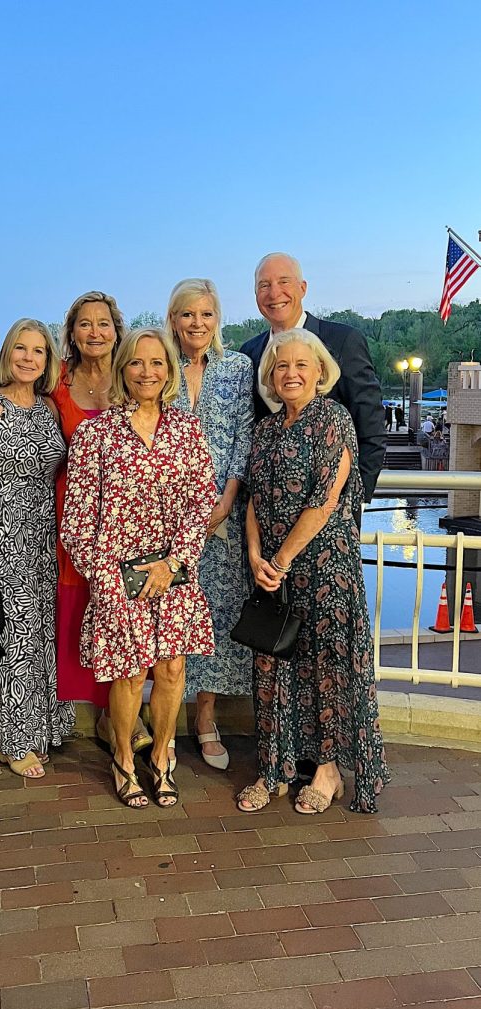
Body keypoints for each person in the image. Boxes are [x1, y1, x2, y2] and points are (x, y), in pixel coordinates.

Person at [0, 291, 152, 755]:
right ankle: (26, 734)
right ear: (71, 333)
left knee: (118, 613)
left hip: (122, 520)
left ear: (116, 328)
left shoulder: (132, 377)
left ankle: (117, 714)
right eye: (84, 324)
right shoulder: (57, 387)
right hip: (60, 520)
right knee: (51, 623)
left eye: (103, 323)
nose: (95, 332)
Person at [236, 328, 389, 815]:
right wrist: (257, 557)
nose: (291, 374)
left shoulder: (334, 420)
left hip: (325, 568)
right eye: (281, 366)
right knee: (273, 664)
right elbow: (254, 500)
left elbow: (324, 502)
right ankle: (274, 767)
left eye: (302, 365)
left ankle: (328, 771)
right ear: (270, 377)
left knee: (326, 667)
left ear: (320, 371)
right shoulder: (264, 431)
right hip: (274, 573)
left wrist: (279, 561)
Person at [61, 328, 216, 808]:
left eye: (156, 363)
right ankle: (124, 758)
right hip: (117, 576)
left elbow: (201, 500)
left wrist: (173, 562)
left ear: (168, 369)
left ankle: (164, 755)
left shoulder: (187, 432)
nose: (147, 372)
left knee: (171, 670)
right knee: (128, 674)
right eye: (136, 363)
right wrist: (104, 578)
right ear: (123, 369)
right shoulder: (96, 434)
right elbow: (76, 520)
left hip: (174, 573)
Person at [0, 319, 74, 778]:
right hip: (2, 537)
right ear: (8, 354)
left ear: (48, 361)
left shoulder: (49, 409)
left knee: (40, 635)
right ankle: (12, 740)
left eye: (39, 351)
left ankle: (39, 727)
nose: (29, 357)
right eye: (21, 349)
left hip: (44, 538)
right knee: (13, 640)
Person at [166, 278, 254, 769]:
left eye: (205, 314)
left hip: (224, 517)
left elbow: (244, 435)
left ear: (216, 318)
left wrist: (226, 500)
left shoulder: (237, 367)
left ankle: (204, 720)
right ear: (173, 319)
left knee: (214, 618)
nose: (196, 324)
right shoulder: (158, 364)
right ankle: (162, 723)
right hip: (167, 519)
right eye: (187, 314)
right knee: (166, 617)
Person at [241, 253, 386, 506]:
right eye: (264, 285)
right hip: (268, 512)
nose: (274, 293)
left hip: (329, 513)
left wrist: (352, 500)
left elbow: (370, 423)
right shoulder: (248, 353)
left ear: (303, 288)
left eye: (284, 282)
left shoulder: (343, 341)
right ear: (256, 295)